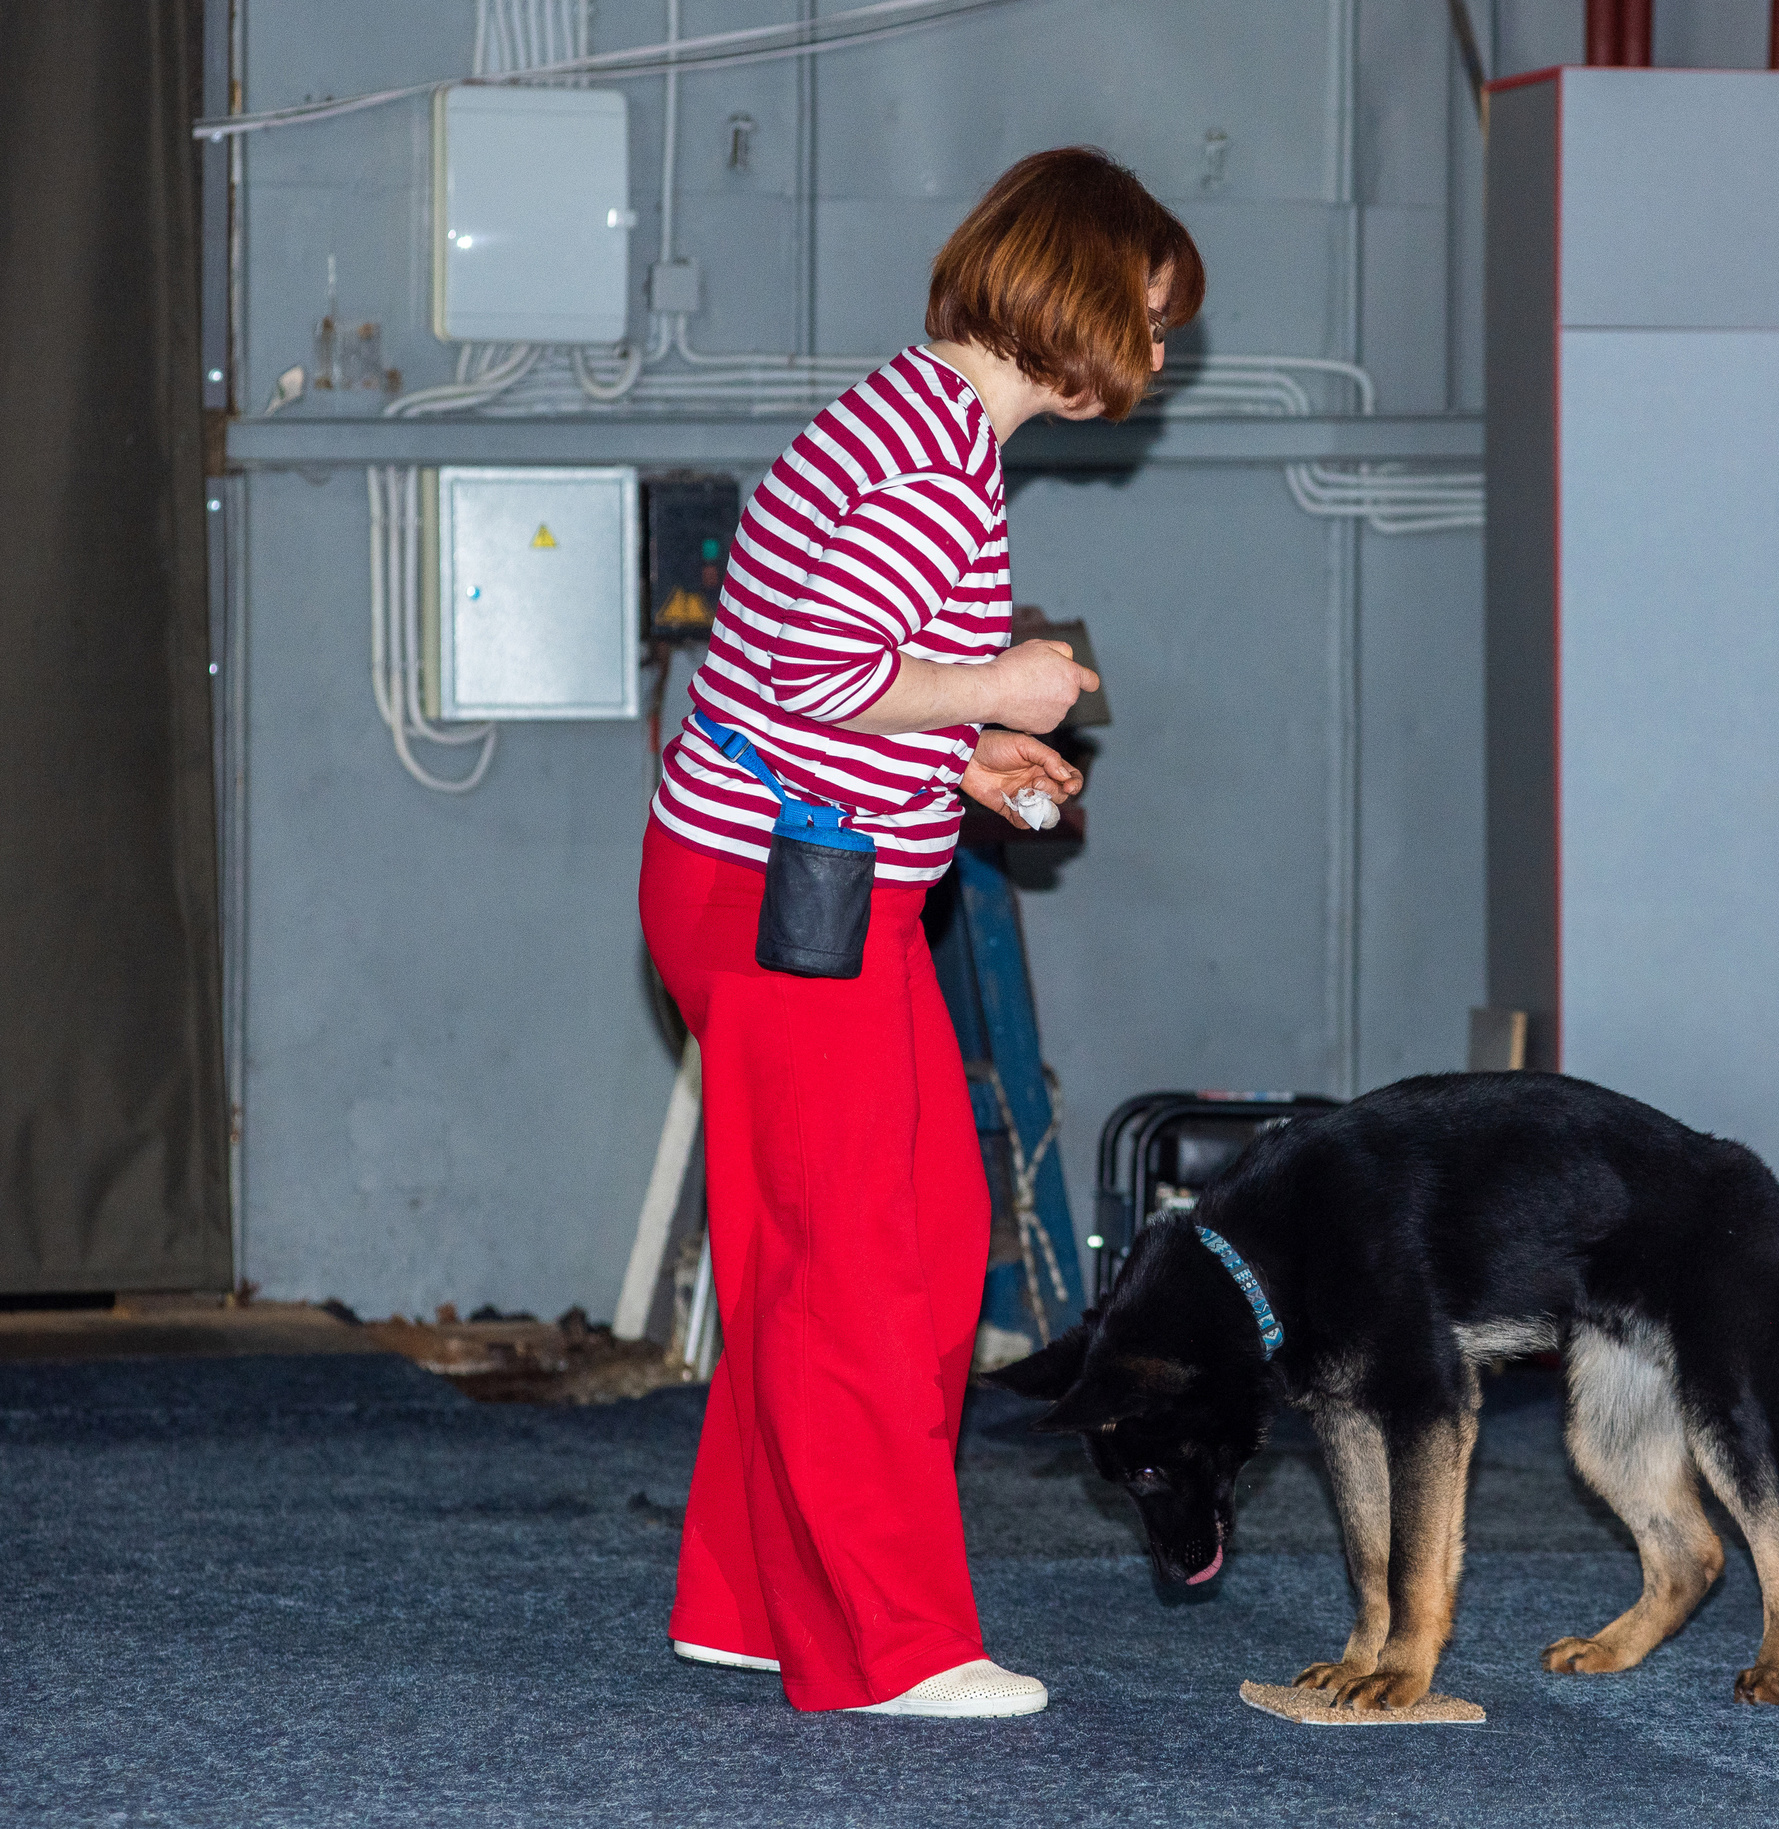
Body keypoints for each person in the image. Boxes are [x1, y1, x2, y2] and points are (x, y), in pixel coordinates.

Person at [637, 147, 1205, 1717]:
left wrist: (969, 754)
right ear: (1078, 304)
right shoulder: (929, 467)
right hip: (784, 901)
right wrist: (1005, 685)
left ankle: (751, 1599)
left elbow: (811, 681)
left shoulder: (916, 420)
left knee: (889, 1240)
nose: (1160, 351)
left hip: (784, 882)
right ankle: (887, 1645)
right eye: (1151, 315)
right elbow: (824, 679)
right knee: (865, 1269)